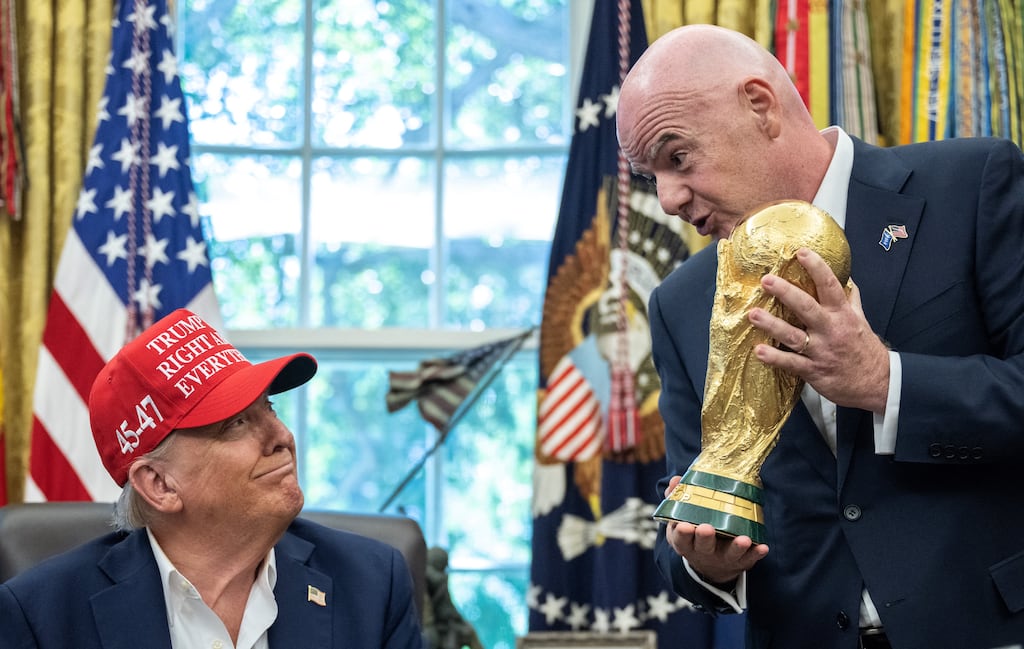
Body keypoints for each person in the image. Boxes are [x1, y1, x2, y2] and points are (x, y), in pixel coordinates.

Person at [616, 24, 1024, 649]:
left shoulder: (972, 186)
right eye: (651, 178)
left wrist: (886, 382)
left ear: (760, 106)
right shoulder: (681, 302)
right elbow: (687, 506)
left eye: (677, 157)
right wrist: (705, 561)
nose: (669, 199)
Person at [0, 308, 423, 649]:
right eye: (236, 423)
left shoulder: (371, 584)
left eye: (269, 409)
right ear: (160, 485)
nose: (282, 437)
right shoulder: (42, 618)